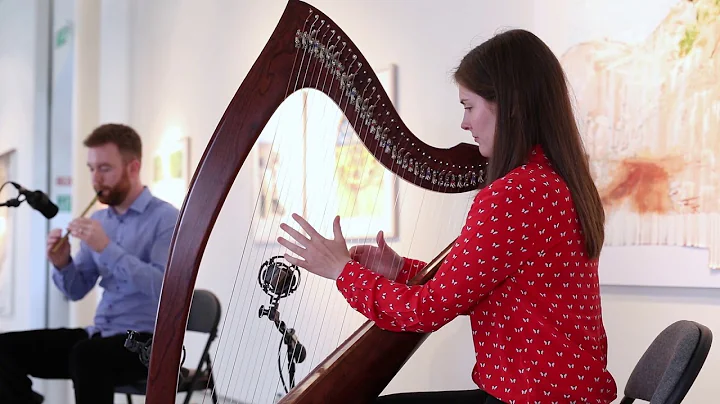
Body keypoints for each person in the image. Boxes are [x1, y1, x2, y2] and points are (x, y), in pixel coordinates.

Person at [277, 29, 618, 404]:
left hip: (532, 396)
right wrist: (400, 270)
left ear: (511, 105)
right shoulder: (557, 181)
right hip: (566, 393)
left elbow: (429, 310)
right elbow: (479, 287)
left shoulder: (514, 194)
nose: (464, 123)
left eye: (469, 106)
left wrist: (343, 272)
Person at [0, 123, 179, 404]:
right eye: (91, 169)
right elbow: (76, 290)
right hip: (100, 334)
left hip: (147, 342)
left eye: (105, 168)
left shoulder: (166, 219)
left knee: (86, 356)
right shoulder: (100, 220)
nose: (96, 179)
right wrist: (63, 264)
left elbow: (165, 289)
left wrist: (107, 249)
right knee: (4, 348)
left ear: (133, 167)